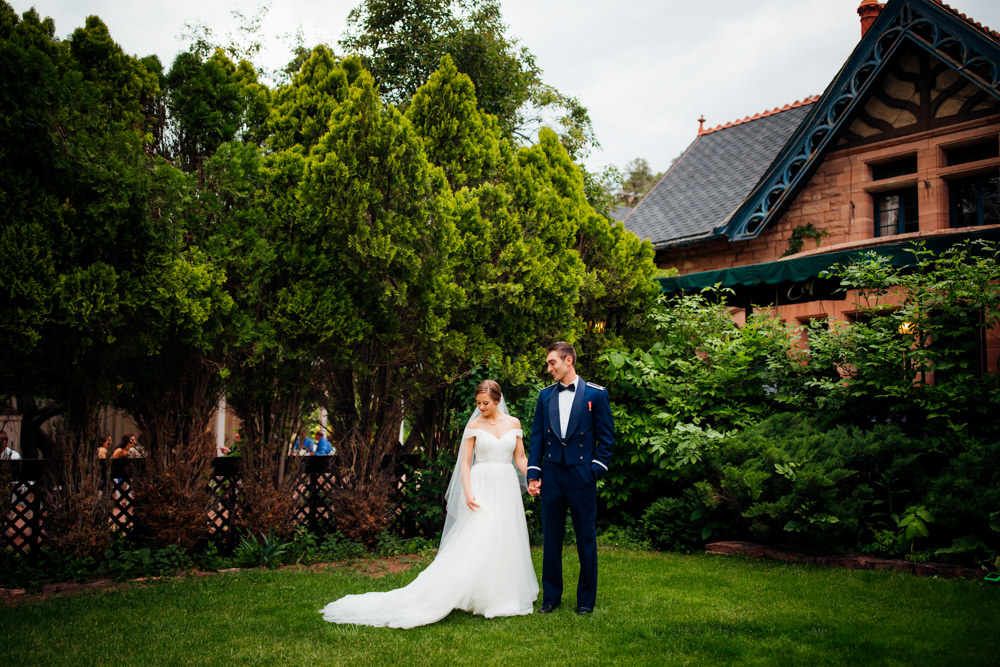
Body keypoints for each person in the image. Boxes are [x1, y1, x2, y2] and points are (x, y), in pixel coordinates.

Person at [320, 380, 537, 628]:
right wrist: (468, 492)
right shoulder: (475, 426)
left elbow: (520, 458)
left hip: (506, 487)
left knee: (504, 538)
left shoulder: (514, 424)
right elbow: (465, 464)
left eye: (485, 403)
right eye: (478, 403)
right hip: (481, 487)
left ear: (498, 400)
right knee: (478, 537)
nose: (480, 407)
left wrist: (532, 476)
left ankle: (502, 595)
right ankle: (455, 591)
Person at [527, 342, 614, 616]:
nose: (549, 368)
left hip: (581, 477)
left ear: (568, 361)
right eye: (548, 364)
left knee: (585, 538)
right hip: (552, 476)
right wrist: (533, 473)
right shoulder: (544, 397)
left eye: (552, 363)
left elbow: (607, 438)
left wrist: (594, 470)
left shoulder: (596, 395)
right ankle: (551, 599)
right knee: (551, 539)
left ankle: (586, 601)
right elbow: (538, 438)